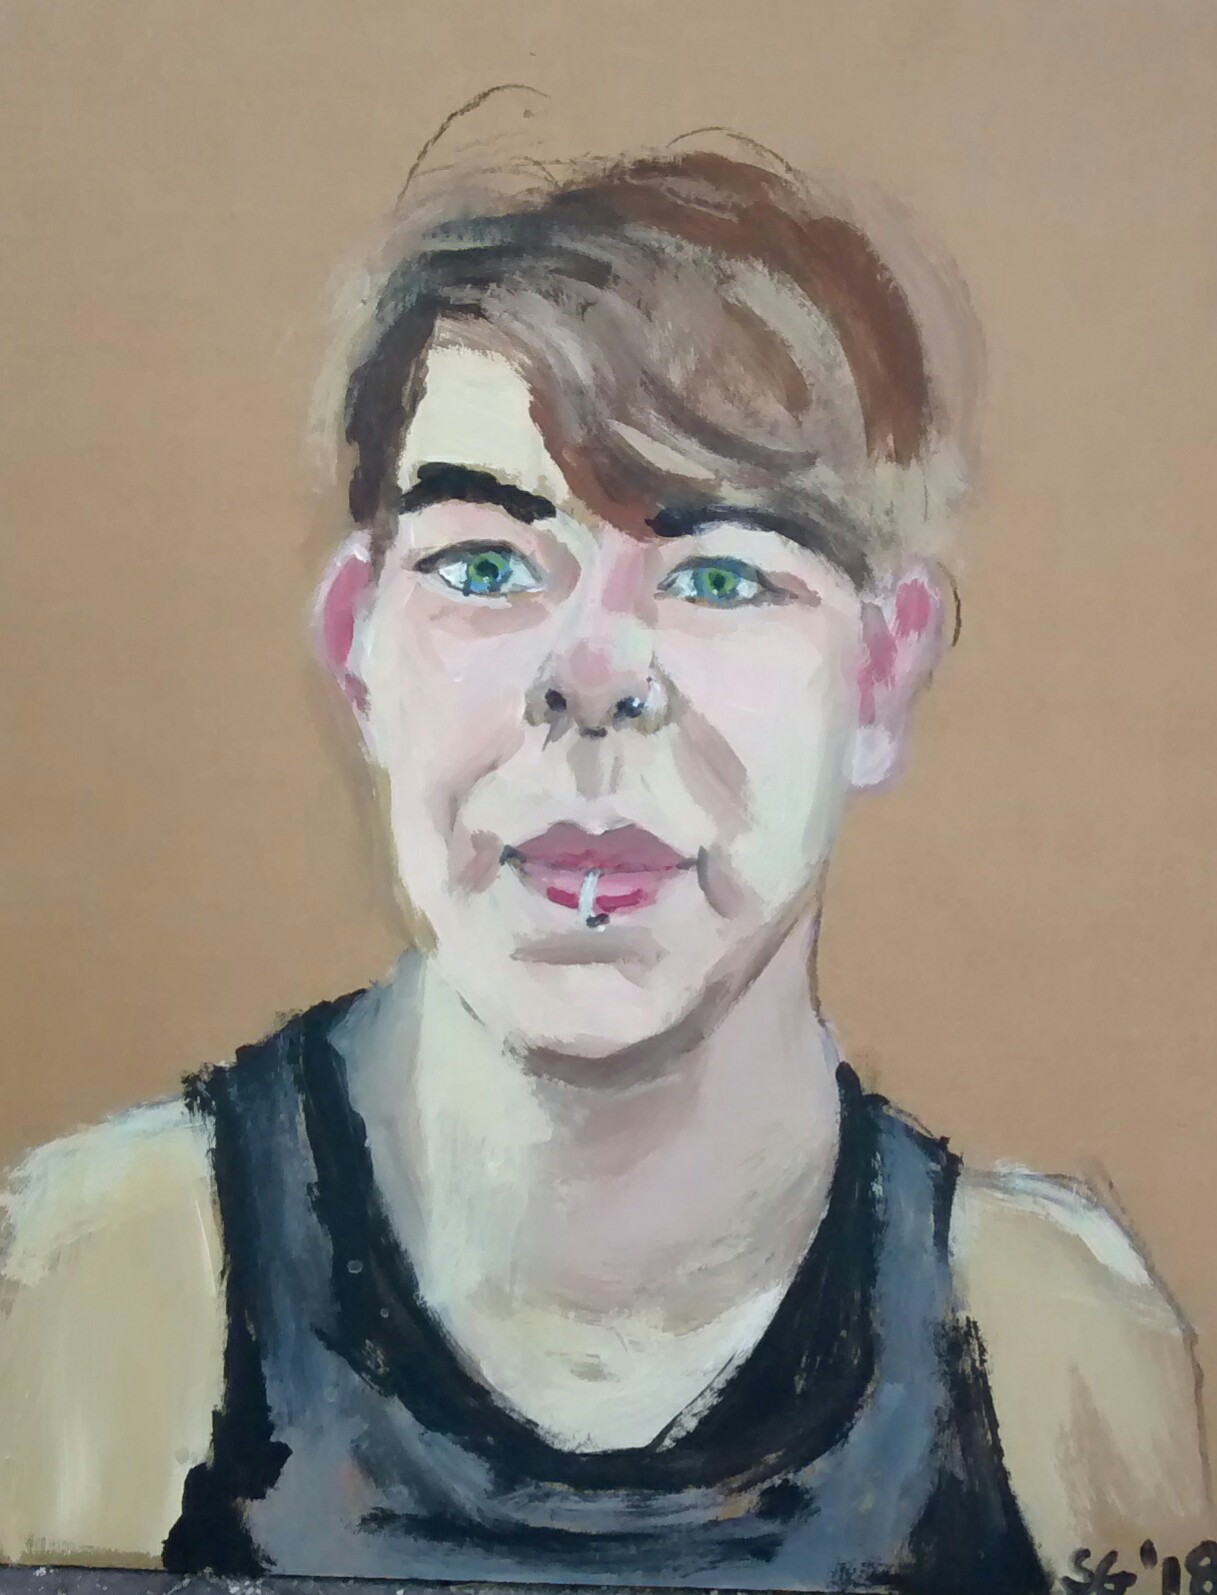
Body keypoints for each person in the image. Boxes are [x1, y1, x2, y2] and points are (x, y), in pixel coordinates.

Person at [0, 141, 1209, 1593]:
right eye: (484, 566)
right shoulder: (105, 1278)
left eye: (721, 576)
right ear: (357, 647)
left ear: (882, 675)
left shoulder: (1050, 1346)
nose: (593, 674)